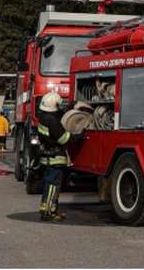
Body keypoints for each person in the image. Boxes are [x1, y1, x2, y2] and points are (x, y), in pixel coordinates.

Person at [37, 91, 81, 222]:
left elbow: (58, 116)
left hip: (48, 157)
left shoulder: (43, 117)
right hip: (56, 158)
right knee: (52, 186)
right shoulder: (52, 121)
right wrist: (80, 135)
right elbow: (64, 139)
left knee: (49, 185)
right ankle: (48, 212)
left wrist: (68, 109)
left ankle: (51, 209)